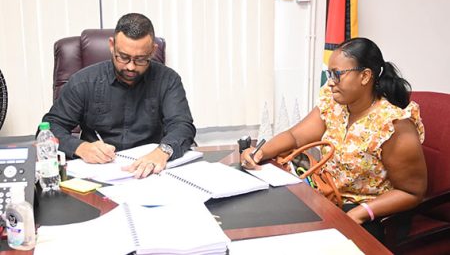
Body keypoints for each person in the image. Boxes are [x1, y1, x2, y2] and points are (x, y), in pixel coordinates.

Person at [241, 37, 427, 241]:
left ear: (365, 76)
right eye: (330, 74)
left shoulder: (393, 125)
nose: (330, 83)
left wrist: (360, 213)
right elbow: (295, 136)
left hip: (371, 214)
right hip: (329, 199)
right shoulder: (335, 105)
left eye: (337, 75)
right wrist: (259, 153)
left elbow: (411, 192)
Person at [42, 13, 196, 178]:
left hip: (149, 173)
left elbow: (182, 126)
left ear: (152, 51)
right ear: (111, 45)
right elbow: (50, 127)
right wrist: (80, 147)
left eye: (140, 59)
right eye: (123, 57)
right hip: (96, 175)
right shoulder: (84, 81)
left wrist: (163, 151)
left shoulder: (168, 80)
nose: (130, 67)